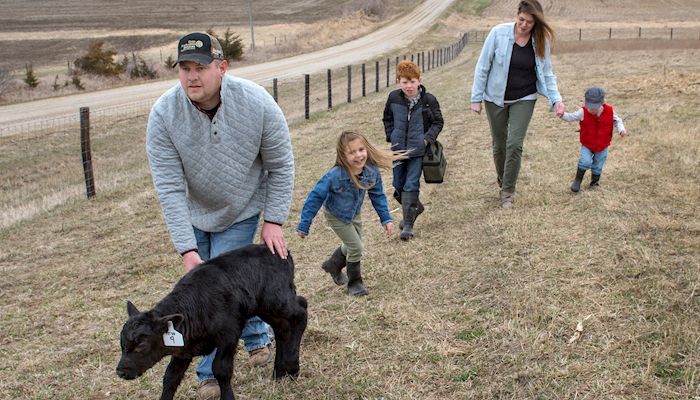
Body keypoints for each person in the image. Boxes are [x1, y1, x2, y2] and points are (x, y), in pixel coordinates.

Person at [146, 32, 294, 400]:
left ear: (222, 68)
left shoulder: (257, 103)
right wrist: (186, 248)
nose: (192, 76)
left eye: (200, 67)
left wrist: (273, 219)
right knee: (216, 284)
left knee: (216, 293)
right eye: (184, 68)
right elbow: (169, 187)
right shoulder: (164, 114)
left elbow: (281, 164)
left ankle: (208, 374)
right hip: (194, 210)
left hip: (241, 205)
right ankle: (257, 338)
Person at [470, 0, 565, 209]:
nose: (524, 25)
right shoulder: (498, 33)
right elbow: (483, 66)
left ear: (535, 23)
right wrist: (476, 97)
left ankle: (507, 192)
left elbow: (547, 73)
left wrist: (556, 99)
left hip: (525, 97)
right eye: (521, 19)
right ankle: (503, 178)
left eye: (529, 22)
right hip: (495, 98)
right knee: (499, 145)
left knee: (515, 144)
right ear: (517, 15)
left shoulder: (541, 41)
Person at [296, 130, 405, 296]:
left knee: (351, 245)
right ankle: (355, 284)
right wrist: (305, 224)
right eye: (352, 152)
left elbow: (378, 195)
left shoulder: (371, 171)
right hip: (336, 215)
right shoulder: (334, 176)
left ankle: (333, 264)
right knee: (356, 247)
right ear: (342, 155)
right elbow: (315, 197)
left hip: (354, 213)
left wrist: (386, 218)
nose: (358, 155)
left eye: (361, 150)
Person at [383, 60, 443, 240]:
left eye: (412, 81)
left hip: (417, 152)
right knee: (398, 185)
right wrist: (391, 136)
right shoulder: (393, 98)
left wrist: (426, 140)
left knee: (411, 184)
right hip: (397, 150)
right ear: (398, 81)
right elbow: (387, 119)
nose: (409, 86)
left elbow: (438, 122)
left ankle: (407, 225)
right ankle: (416, 207)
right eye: (404, 82)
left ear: (419, 80)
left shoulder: (428, 100)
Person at [560, 86, 626, 192]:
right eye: (590, 107)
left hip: (603, 144)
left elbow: (618, 121)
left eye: (594, 107)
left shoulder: (610, 111)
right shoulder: (583, 111)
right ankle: (577, 180)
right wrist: (562, 115)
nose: (592, 110)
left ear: (602, 103)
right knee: (585, 161)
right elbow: (572, 117)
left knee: (598, 164)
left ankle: (594, 183)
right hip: (587, 144)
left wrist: (621, 129)